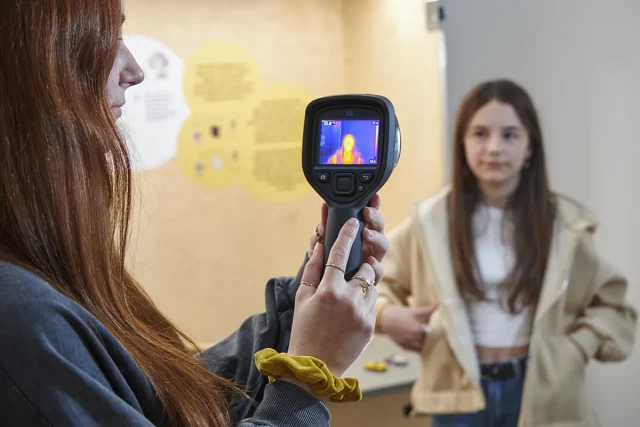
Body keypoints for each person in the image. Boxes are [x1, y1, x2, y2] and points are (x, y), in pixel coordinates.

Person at [0, 1, 390, 426]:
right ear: (36, 66)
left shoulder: (42, 277)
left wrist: (308, 294)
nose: (134, 70)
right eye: (110, 40)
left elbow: (174, 398)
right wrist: (305, 379)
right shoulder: (21, 318)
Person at [375, 79, 637, 427]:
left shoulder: (564, 226)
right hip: (458, 395)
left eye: (510, 135)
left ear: (530, 146)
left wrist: (576, 349)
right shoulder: (431, 222)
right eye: (480, 134)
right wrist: (387, 317)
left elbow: (615, 309)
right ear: (462, 143)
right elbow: (371, 282)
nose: (494, 148)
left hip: (540, 390)